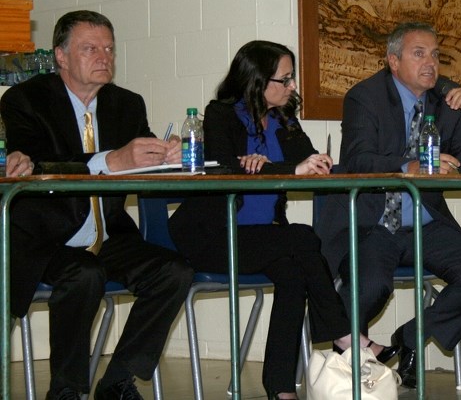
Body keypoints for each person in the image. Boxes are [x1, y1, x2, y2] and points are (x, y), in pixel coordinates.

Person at [168, 40, 397, 400]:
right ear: (257, 81)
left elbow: (306, 161)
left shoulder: (283, 119)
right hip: (214, 236)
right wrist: (284, 167)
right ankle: (344, 334)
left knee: (293, 275)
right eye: (285, 79)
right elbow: (225, 168)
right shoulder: (220, 114)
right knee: (304, 237)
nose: (292, 87)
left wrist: (311, 164)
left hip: (266, 237)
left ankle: (281, 389)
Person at [0, 10, 194, 400]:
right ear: (60, 56)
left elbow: (141, 155)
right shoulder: (25, 99)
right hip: (46, 236)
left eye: (109, 48)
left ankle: (118, 381)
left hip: (107, 232)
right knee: (84, 274)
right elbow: (37, 161)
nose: (103, 56)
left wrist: (166, 154)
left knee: (173, 271)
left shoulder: (127, 103)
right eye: (90, 48)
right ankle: (67, 390)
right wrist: (111, 160)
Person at [316, 21, 461, 388]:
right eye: (419, 54)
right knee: (370, 287)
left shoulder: (445, 101)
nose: (430, 63)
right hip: (374, 224)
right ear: (393, 61)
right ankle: (347, 370)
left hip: (424, 223)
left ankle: (413, 335)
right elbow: (357, 161)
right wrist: (408, 167)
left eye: (435, 55)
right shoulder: (364, 97)